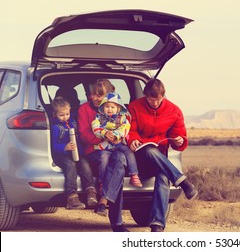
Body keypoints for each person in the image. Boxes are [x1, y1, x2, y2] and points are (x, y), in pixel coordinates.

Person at [127, 78, 198, 232]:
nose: (155, 103)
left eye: (158, 100)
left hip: (160, 159)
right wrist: (132, 140)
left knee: (163, 175)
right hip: (139, 157)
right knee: (150, 150)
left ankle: (157, 225)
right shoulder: (134, 107)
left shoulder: (174, 111)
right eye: (151, 100)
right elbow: (130, 130)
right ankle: (183, 182)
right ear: (146, 96)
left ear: (163, 96)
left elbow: (179, 136)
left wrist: (179, 141)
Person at [78, 79, 129, 232]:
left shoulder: (118, 111)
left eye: (99, 96)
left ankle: (103, 201)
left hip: (115, 150)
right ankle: (117, 223)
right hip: (94, 151)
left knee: (119, 161)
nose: (94, 98)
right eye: (93, 94)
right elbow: (84, 135)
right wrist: (104, 136)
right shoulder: (84, 109)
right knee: (115, 168)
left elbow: (126, 129)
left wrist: (119, 136)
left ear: (110, 97)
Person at [91, 92, 142, 217]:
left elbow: (126, 128)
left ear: (118, 108)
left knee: (129, 153)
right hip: (105, 145)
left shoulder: (122, 118)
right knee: (103, 159)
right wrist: (104, 133)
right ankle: (102, 182)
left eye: (113, 107)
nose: (109, 109)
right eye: (107, 106)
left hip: (118, 144)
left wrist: (117, 135)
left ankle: (134, 174)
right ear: (103, 107)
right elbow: (95, 127)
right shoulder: (99, 117)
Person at [50, 98, 98, 210]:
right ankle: (72, 197)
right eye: (61, 115)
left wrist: (81, 152)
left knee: (84, 164)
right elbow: (53, 145)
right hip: (62, 155)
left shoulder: (73, 122)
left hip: (77, 153)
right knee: (70, 165)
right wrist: (64, 148)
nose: (65, 117)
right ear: (54, 114)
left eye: (67, 113)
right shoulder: (55, 127)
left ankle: (91, 192)